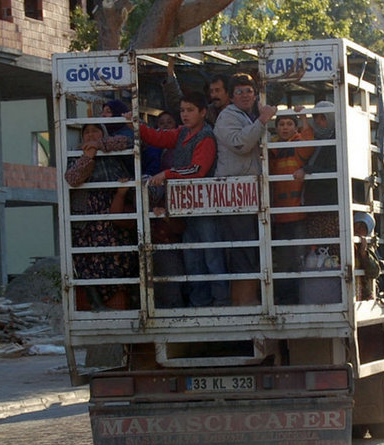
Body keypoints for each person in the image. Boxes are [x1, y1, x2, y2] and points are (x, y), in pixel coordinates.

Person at [135, 92, 229, 307]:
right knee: (193, 256)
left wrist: (167, 174)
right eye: (183, 111)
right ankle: (201, 301)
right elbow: (156, 137)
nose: (185, 115)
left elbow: (197, 170)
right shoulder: (182, 133)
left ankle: (220, 300)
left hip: (204, 205)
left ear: (202, 113)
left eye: (190, 110)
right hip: (187, 206)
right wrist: (137, 124)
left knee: (211, 254)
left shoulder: (205, 136)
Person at [214, 73, 277, 305]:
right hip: (235, 193)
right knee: (242, 252)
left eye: (249, 90)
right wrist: (262, 120)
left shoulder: (251, 114)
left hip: (253, 193)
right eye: (239, 91)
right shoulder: (228, 116)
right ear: (230, 97)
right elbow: (241, 144)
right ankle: (244, 306)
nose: (245, 95)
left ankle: (253, 302)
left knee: (255, 251)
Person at [65, 123, 134, 310]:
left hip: (115, 218)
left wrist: (100, 145)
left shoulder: (114, 153)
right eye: (86, 132)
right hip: (88, 224)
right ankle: (98, 305)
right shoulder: (76, 155)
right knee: (91, 265)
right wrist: (89, 156)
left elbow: (130, 143)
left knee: (118, 265)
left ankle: (121, 308)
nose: (90, 135)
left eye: (95, 130)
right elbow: (72, 179)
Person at [269, 108, 315, 304]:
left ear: (295, 127)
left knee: (299, 258)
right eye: (281, 124)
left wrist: (304, 117)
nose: (285, 128)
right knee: (283, 260)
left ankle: (300, 297)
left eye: (289, 124)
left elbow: (309, 142)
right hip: (279, 214)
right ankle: (286, 298)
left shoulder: (298, 144)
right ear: (276, 127)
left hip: (297, 213)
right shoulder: (272, 147)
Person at [293, 100, 340, 257]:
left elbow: (333, 171)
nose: (319, 121)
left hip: (329, 206)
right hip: (315, 205)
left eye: (323, 117)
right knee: (315, 251)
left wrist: (307, 170)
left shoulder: (337, 141)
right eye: (316, 117)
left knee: (330, 252)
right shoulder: (318, 139)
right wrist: (304, 120)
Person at [353, 212, 382, 300]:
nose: (358, 229)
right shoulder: (344, 243)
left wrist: (363, 253)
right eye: (357, 225)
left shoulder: (367, 247)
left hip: (362, 294)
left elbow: (374, 272)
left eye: (363, 227)